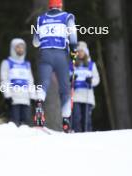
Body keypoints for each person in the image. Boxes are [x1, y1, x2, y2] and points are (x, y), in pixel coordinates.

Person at [32, 0, 78, 132]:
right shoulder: (67, 17)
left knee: (44, 83)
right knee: (64, 88)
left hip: (45, 54)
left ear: (49, 6)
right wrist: (74, 50)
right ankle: (65, 119)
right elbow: (73, 36)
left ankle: (39, 103)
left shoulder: (41, 19)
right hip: (61, 55)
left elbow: (35, 42)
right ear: (60, 5)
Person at [0, 38, 36, 126]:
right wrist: (7, 96)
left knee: (25, 125)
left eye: (22, 47)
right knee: (14, 125)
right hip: (13, 100)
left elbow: (30, 81)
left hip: (25, 100)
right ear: (13, 48)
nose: (20, 49)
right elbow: (4, 80)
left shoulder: (27, 64)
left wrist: (33, 96)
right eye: (18, 47)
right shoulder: (7, 63)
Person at [70, 41, 100, 132]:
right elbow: (68, 79)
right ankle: (77, 135)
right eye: (78, 51)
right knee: (77, 118)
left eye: (82, 51)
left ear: (86, 52)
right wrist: (71, 79)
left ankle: (88, 136)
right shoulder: (73, 65)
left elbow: (97, 79)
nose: (80, 53)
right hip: (76, 96)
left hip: (87, 96)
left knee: (86, 119)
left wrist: (91, 81)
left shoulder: (91, 65)